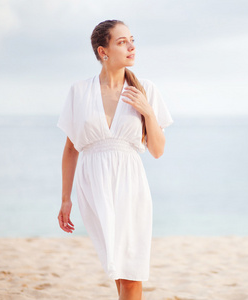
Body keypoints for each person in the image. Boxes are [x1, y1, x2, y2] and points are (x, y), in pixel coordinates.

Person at [57, 20, 173, 300]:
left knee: (131, 270)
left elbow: (157, 150)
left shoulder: (145, 89)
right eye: (122, 42)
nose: (131, 46)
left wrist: (148, 112)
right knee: (119, 269)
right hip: (93, 184)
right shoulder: (80, 91)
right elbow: (71, 149)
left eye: (132, 40)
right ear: (103, 51)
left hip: (130, 184)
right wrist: (65, 199)